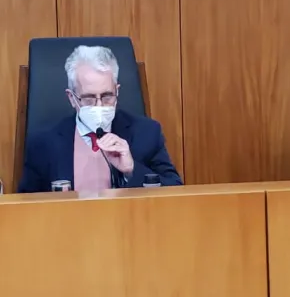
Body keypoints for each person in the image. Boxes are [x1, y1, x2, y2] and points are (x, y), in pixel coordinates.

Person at [18, 45, 183, 193]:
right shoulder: (43, 143)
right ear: (72, 98)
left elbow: (175, 191)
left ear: (117, 91)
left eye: (107, 96)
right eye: (89, 98)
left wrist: (132, 170)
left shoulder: (146, 133)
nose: (99, 105)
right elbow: (26, 204)